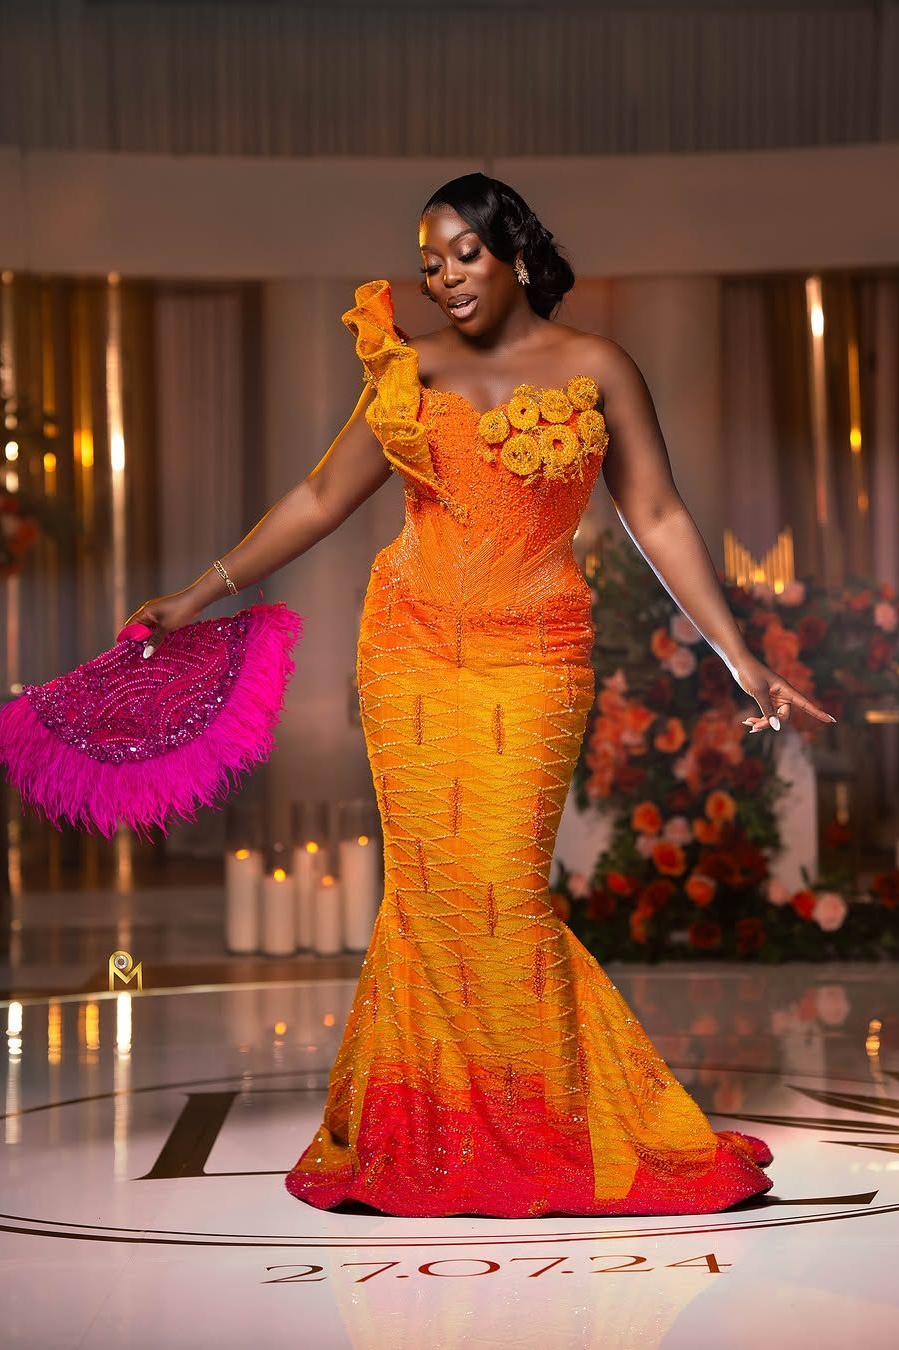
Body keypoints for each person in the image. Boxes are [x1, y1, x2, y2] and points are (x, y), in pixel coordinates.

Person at [123, 172, 834, 1218]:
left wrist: (741, 657)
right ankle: (434, 1137)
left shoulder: (597, 366)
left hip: (538, 657)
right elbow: (321, 496)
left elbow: (659, 515)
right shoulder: (409, 371)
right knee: (431, 895)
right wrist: (194, 595)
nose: (444, 277)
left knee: (498, 888)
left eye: (463, 253)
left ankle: (558, 1129)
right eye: (428, 261)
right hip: (407, 652)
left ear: (512, 252)